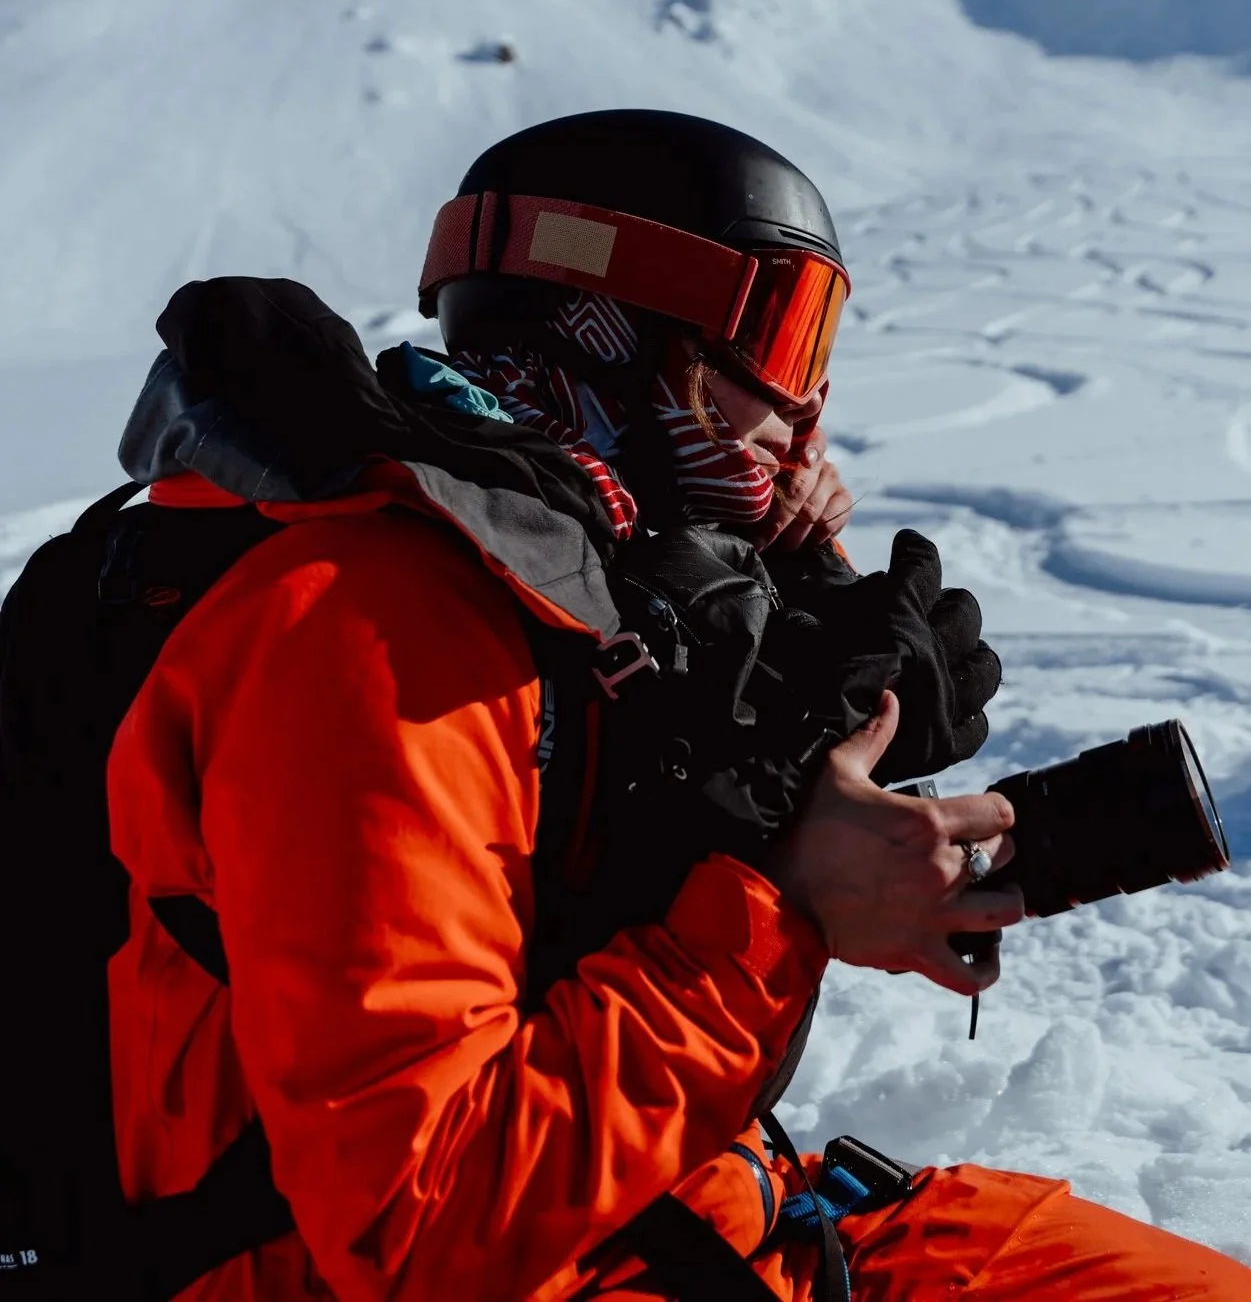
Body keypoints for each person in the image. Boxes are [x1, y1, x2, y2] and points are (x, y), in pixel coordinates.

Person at [102, 110, 1246, 1299]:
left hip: (692, 1217)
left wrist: (800, 736)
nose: (803, 416)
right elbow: (417, 1234)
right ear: (617, 333)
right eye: (781, 348)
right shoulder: (372, 633)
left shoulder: (575, 585)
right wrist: (781, 903)